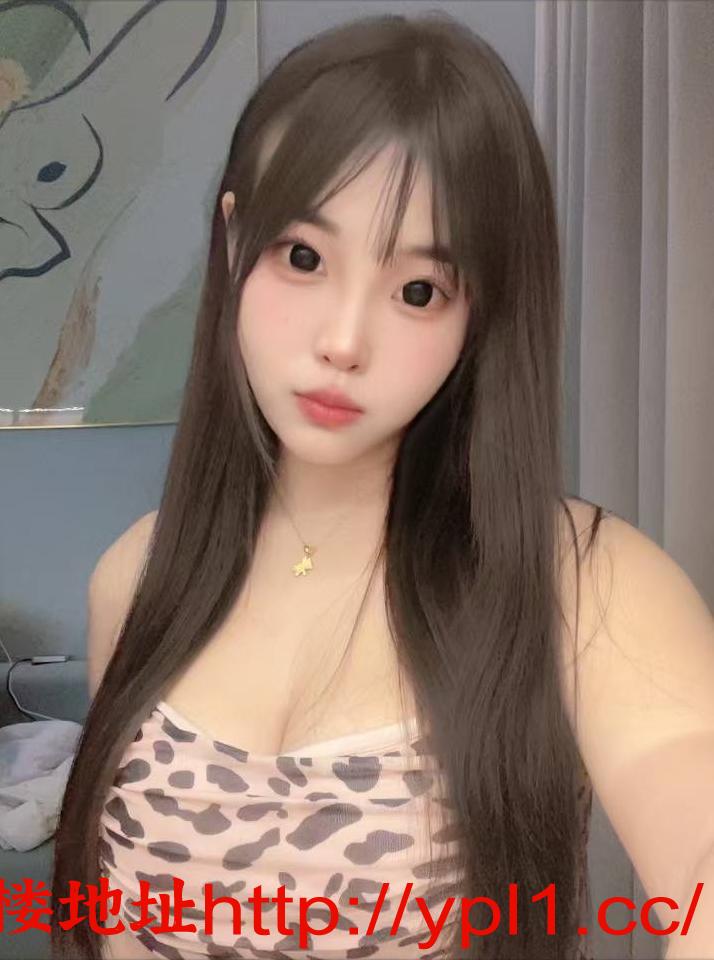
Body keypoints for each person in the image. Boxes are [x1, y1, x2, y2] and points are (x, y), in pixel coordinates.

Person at [50, 12, 714, 960]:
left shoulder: (582, 583)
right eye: (304, 258)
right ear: (234, 242)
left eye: (417, 292)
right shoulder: (137, 576)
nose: (344, 341)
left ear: (479, 311)